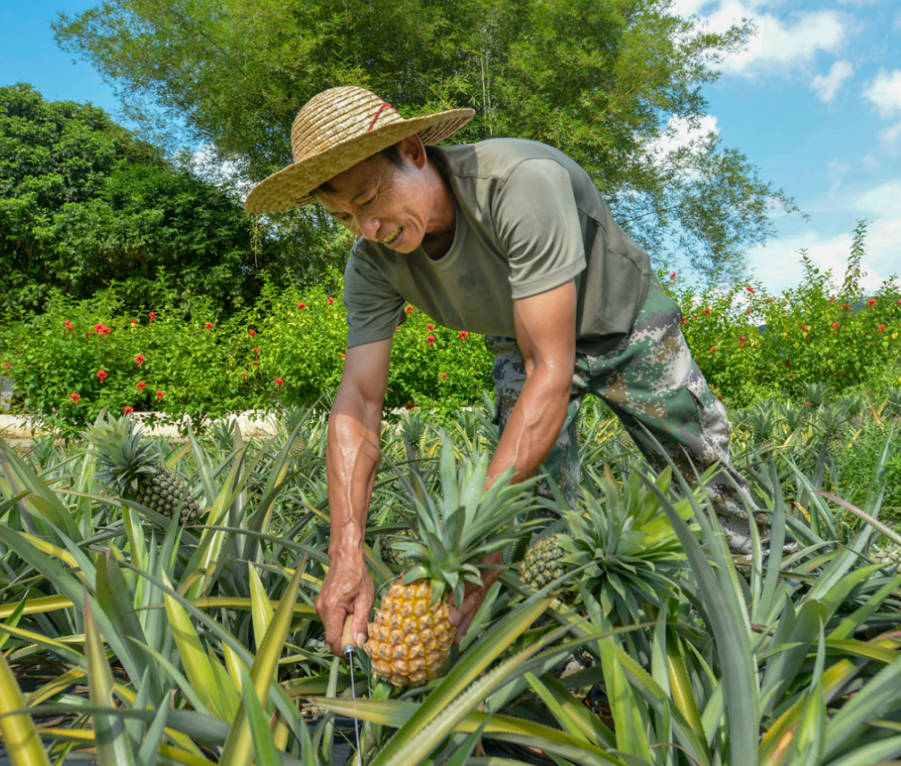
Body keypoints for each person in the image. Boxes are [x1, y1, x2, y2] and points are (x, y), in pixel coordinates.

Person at [244, 85, 783, 657]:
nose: (366, 227)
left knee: (700, 471)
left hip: (623, 322)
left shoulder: (519, 183)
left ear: (413, 151)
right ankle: (565, 654)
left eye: (370, 197)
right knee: (530, 510)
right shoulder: (372, 263)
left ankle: (772, 614)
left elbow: (553, 366)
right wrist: (346, 547)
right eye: (344, 216)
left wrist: (481, 536)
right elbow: (358, 400)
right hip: (523, 336)